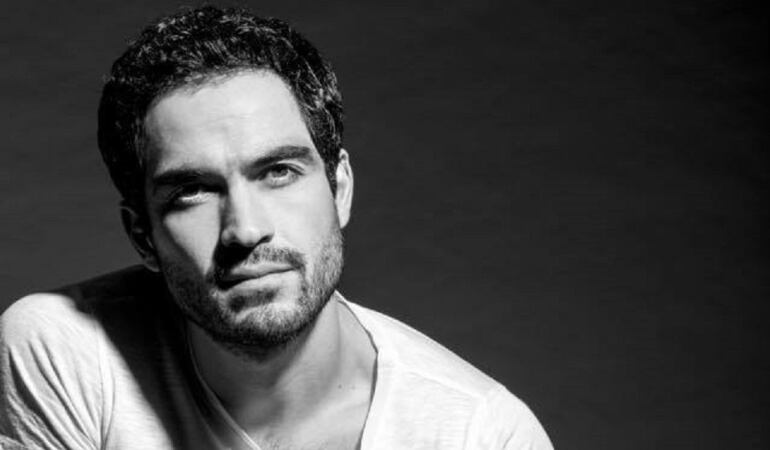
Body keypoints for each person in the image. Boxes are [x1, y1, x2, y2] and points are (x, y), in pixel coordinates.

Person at [0, 6, 553, 449]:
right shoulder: (65, 351)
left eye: (278, 172)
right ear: (142, 235)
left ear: (339, 189)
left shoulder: (481, 433)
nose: (245, 229)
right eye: (193, 191)